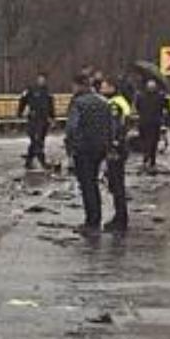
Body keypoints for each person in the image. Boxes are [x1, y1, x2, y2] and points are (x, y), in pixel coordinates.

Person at [65, 72, 114, 234]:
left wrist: (70, 148)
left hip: (83, 149)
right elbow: (110, 127)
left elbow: (72, 127)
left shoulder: (78, 103)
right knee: (93, 183)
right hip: (99, 149)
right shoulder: (103, 102)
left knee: (87, 185)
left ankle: (91, 222)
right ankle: (96, 218)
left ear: (78, 85)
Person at [100, 77, 131, 233]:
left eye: (104, 86)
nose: (101, 89)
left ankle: (120, 219)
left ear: (112, 88)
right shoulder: (121, 101)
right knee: (116, 184)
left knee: (116, 184)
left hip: (116, 149)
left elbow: (114, 127)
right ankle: (120, 216)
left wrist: (112, 146)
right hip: (120, 147)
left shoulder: (114, 104)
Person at [17, 72, 55, 170]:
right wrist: (20, 112)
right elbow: (22, 100)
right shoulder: (31, 90)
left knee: (39, 141)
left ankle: (29, 161)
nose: (41, 81)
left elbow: (51, 106)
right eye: (40, 79)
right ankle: (42, 161)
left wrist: (52, 118)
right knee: (36, 140)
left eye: (43, 79)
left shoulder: (47, 92)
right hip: (33, 119)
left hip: (44, 120)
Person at [135, 79, 166, 173]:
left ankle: (151, 161)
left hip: (154, 123)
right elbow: (137, 107)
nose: (151, 88)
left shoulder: (159, 96)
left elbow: (163, 108)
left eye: (153, 86)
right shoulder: (141, 96)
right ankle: (147, 159)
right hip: (144, 122)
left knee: (153, 143)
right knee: (145, 142)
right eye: (150, 86)